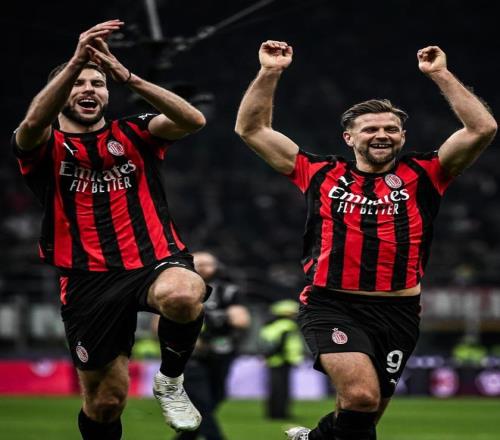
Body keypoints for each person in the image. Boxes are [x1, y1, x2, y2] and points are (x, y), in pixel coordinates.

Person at [235, 41, 496, 439]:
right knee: (360, 397)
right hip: (332, 304)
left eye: (391, 129)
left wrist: (440, 74)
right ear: (348, 138)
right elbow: (251, 129)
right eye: (371, 129)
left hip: (399, 312)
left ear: (403, 136)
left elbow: (483, 128)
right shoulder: (319, 172)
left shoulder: (427, 173)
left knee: (362, 416)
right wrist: (270, 72)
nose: (382, 135)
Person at [12, 20, 209, 439]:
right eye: (78, 83)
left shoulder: (134, 132)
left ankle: (170, 380)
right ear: (59, 92)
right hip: (87, 279)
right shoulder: (44, 145)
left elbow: (193, 120)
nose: (89, 89)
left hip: (153, 259)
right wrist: (75, 62)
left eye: (97, 84)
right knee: (105, 403)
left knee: (183, 292)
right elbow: (30, 125)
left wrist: (126, 75)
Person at [169, 251, 250, 440]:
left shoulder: (228, 290)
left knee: (217, 396)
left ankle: (185, 438)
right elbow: (159, 324)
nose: (204, 268)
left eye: (208, 264)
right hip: (189, 355)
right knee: (201, 399)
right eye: (200, 263)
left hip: (222, 352)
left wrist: (212, 318)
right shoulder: (175, 290)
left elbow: (241, 320)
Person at [260, 299, 304, 420]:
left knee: (274, 388)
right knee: (282, 389)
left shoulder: (271, 326)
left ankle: (272, 413)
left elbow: (268, 344)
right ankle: (281, 413)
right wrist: (286, 357)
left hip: (273, 361)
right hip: (283, 360)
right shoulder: (287, 326)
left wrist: (267, 356)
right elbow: (281, 344)